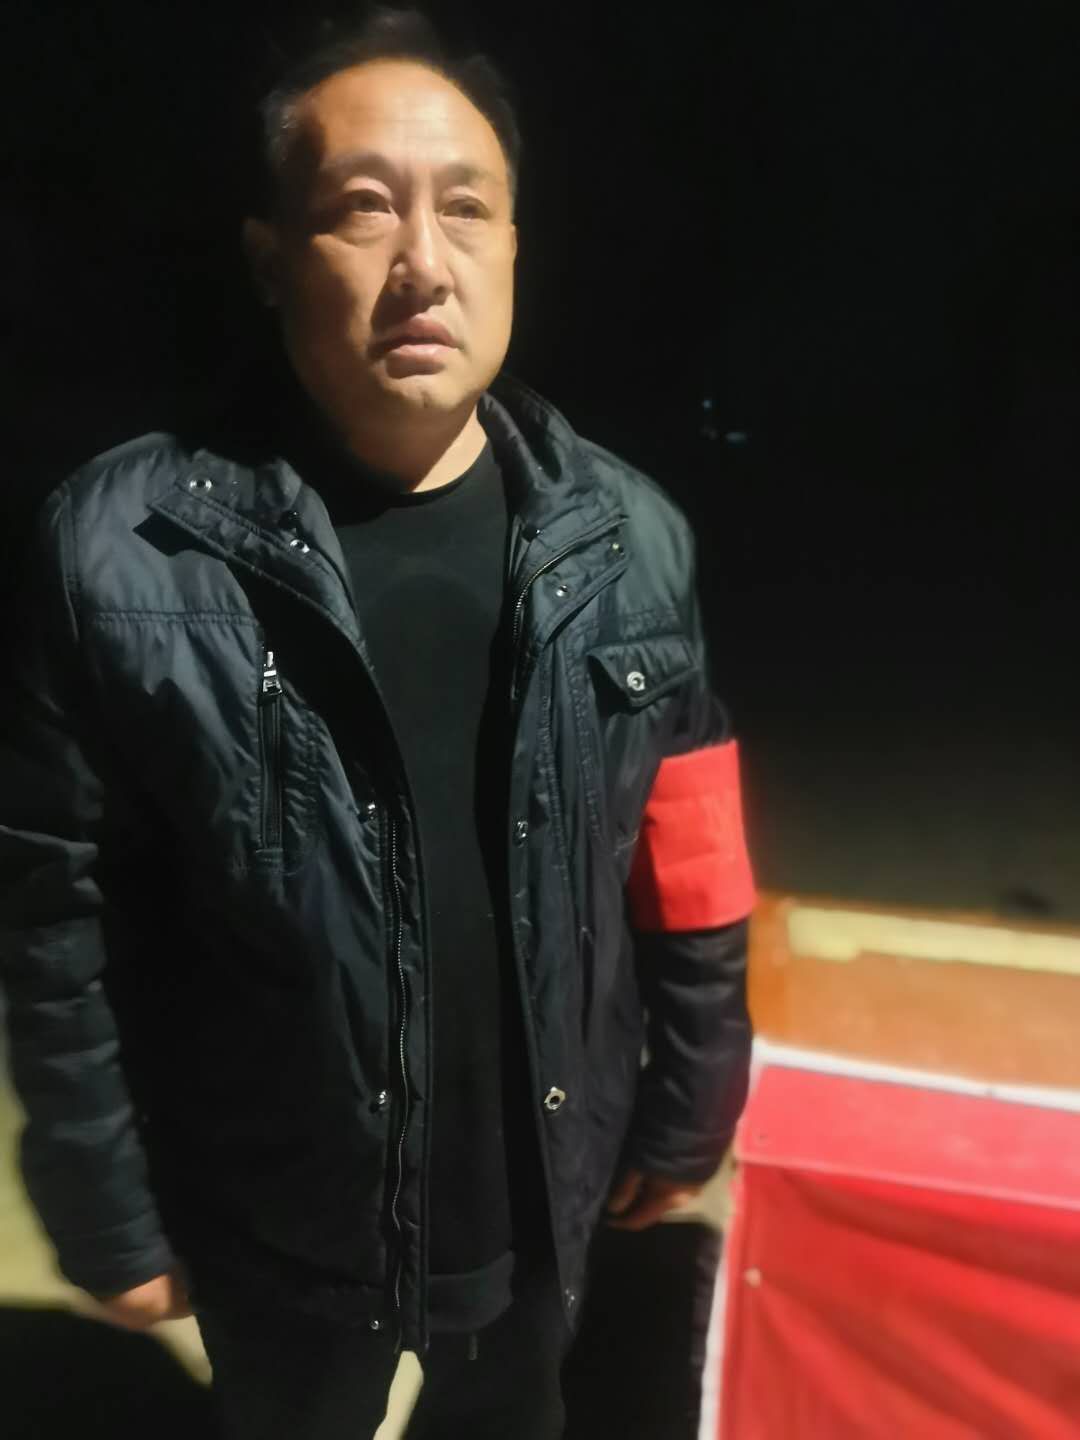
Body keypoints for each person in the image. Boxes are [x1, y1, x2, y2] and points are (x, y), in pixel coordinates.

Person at [0, 7, 754, 1437]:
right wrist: (100, 1193)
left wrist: (700, 1083)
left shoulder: (633, 538)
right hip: (278, 1216)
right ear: (271, 256)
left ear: (514, 246)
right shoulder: (120, 556)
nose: (423, 262)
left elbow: (691, 838)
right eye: (362, 208)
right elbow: (55, 915)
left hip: (544, 1191)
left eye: (466, 209)